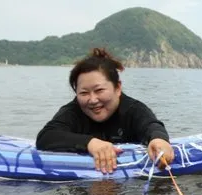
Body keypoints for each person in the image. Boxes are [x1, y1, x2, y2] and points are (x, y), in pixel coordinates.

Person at [36, 47, 175, 174]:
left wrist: (159, 140)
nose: (92, 100)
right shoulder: (73, 111)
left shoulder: (133, 109)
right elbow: (46, 136)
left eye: (99, 90)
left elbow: (151, 126)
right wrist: (90, 143)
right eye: (84, 93)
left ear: (118, 88)